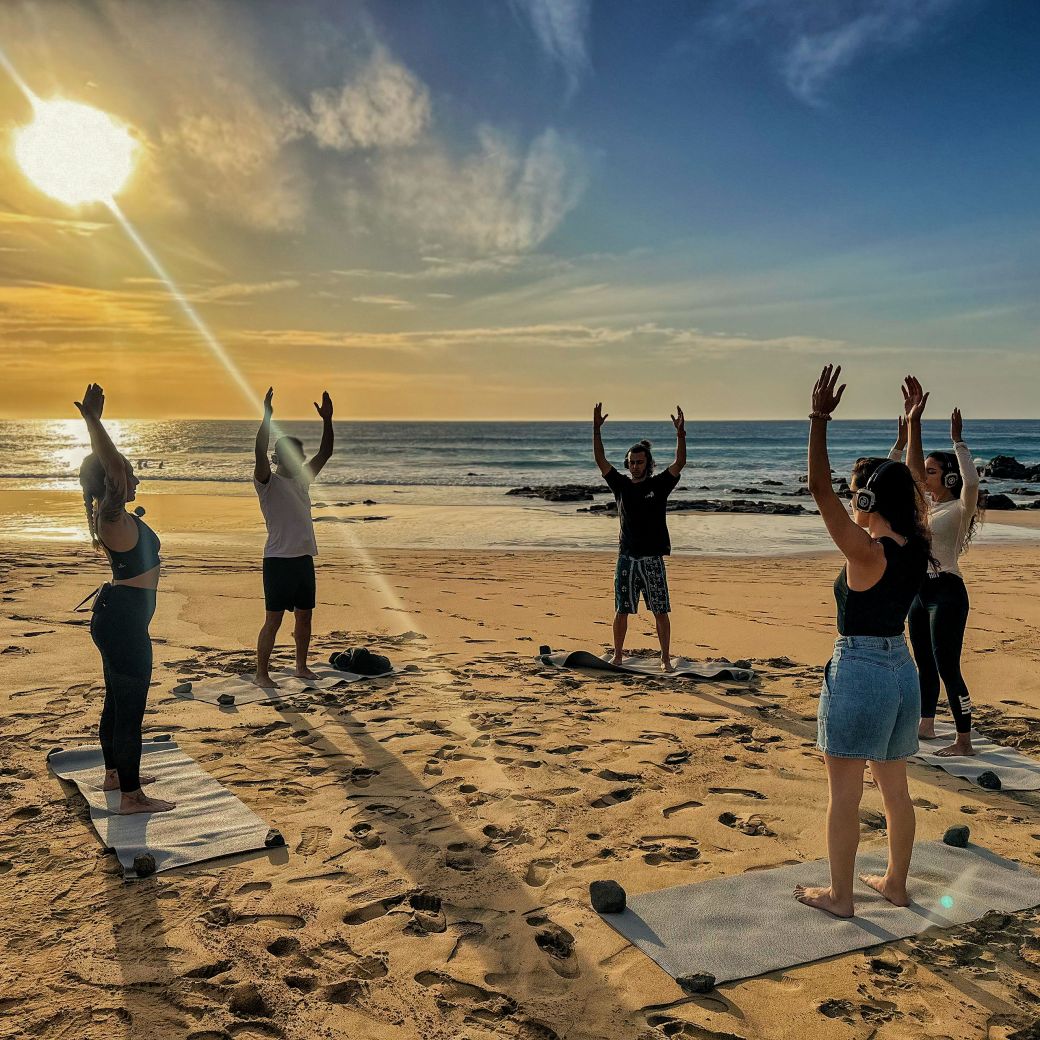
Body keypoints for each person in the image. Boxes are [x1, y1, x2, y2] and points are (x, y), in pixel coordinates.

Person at [795, 365, 933, 918]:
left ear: (871, 500)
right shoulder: (915, 544)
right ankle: (895, 884)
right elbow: (913, 484)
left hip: (860, 673)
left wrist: (818, 418)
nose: (853, 501)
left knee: (845, 796)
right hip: (902, 672)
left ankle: (841, 896)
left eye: (858, 496)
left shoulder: (866, 552)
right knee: (896, 790)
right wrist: (911, 426)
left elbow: (817, 488)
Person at [76, 383, 175, 815]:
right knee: (130, 708)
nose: (134, 480)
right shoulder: (110, 514)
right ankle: (132, 797)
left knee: (116, 701)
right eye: (129, 475)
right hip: (124, 621)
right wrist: (94, 423)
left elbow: (112, 469)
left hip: (119, 615)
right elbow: (113, 469)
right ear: (113, 480)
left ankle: (115, 775)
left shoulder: (114, 516)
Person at [895, 376, 982, 757]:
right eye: (927, 471)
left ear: (948, 477)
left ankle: (964, 740)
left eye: (933, 472)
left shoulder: (959, 509)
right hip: (919, 592)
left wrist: (957, 442)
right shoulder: (924, 508)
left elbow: (971, 482)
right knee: (924, 664)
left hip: (947, 591)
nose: (926, 476)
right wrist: (912, 424)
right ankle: (926, 724)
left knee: (948, 665)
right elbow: (909, 471)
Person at [592, 402, 686, 672]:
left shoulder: (659, 485)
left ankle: (665, 659)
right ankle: (618, 656)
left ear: (648, 464)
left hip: (652, 559)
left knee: (660, 610)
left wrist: (680, 434)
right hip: (626, 558)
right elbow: (600, 461)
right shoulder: (620, 485)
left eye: (640, 462)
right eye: (632, 462)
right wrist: (596, 430)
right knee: (621, 609)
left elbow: (680, 462)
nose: (635, 466)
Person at [253, 387, 334, 689]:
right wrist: (267, 417)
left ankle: (301, 667)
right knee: (273, 621)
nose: (303, 459)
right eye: (298, 454)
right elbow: (259, 452)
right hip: (278, 561)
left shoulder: (302, 481)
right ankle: (262, 674)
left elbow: (325, 453)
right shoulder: (267, 482)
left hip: (303, 560)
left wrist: (328, 420)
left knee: (305, 617)